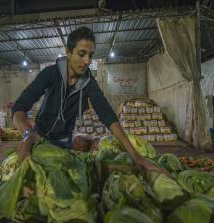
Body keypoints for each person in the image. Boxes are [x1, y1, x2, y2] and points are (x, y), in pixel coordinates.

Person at [12, 27, 165, 175]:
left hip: (64, 143)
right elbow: (20, 107)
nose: (87, 61)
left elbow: (108, 115)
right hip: (38, 139)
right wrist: (28, 134)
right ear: (68, 52)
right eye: (81, 54)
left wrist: (137, 157)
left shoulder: (89, 83)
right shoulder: (50, 74)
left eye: (90, 55)